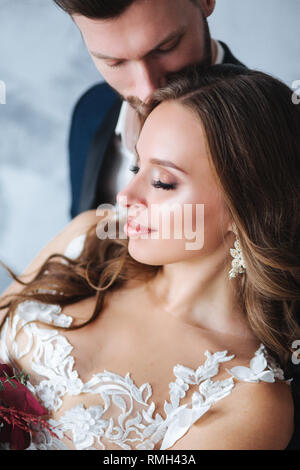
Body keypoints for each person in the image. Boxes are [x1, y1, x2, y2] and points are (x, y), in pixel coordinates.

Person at [0, 64, 299, 450]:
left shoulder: (247, 402)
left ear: (247, 207)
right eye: (136, 166)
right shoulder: (88, 236)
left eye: (161, 182)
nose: (127, 196)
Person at [52, 0, 245, 218]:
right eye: (115, 63)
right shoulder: (91, 109)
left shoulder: (277, 130)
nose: (148, 92)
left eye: (166, 47)